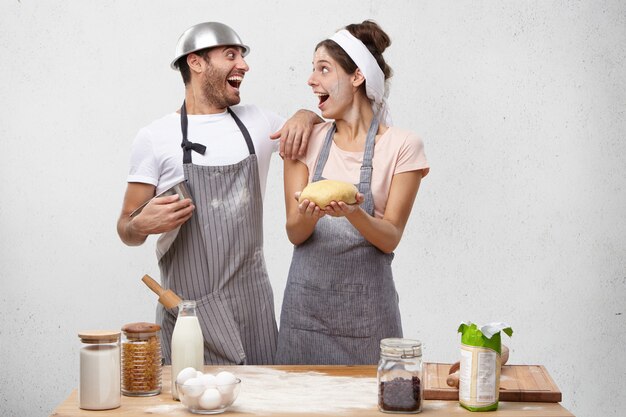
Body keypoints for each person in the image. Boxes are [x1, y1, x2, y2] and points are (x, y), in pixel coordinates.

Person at [117, 22, 320, 365]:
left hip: (252, 310)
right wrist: (138, 226)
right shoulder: (155, 137)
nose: (243, 65)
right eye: (231, 55)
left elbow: (319, 129)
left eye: (242, 55)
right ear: (195, 62)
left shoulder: (260, 122)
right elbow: (126, 227)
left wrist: (305, 114)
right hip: (188, 316)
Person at [275, 20, 430, 365]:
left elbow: (390, 238)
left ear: (357, 76)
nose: (311, 80)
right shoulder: (303, 141)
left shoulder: (403, 146)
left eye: (323, 69)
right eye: (312, 69)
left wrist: (353, 213)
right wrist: (307, 215)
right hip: (304, 321)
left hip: (368, 319)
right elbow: (294, 233)